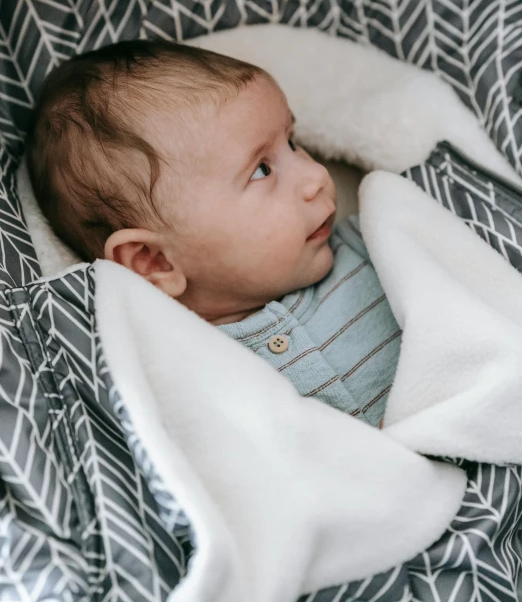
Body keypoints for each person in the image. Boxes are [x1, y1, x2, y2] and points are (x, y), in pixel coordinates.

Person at [27, 39, 401, 426]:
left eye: (292, 142)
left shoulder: (378, 246)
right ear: (151, 260)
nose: (317, 176)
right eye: (262, 170)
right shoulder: (174, 380)